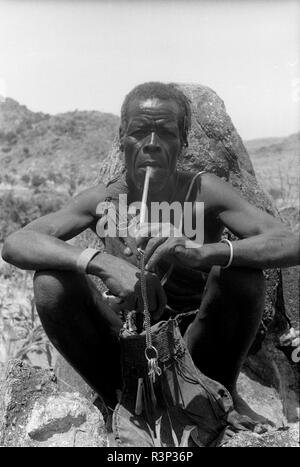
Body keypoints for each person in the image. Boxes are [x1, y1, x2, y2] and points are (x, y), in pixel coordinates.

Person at [2, 82, 299, 413]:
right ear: (121, 137)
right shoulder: (103, 201)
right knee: (51, 285)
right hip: (125, 338)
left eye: (166, 133)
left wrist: (204, 253)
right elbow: (17, 242)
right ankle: (119, 401)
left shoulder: (204, 192)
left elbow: (290, 242)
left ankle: (217, 394)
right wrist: (99, 261)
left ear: (183, 140)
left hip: (197, 343)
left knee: (243, 276)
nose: (152, 145)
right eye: (140, 131)